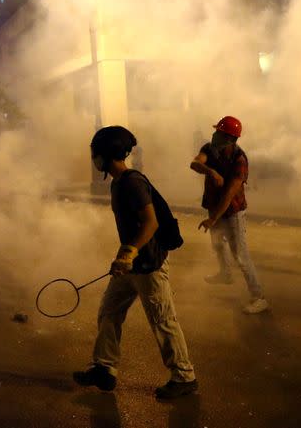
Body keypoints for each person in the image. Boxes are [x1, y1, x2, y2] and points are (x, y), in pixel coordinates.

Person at [73, 126, 197, 400]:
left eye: (96, 153)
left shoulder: (131, 182)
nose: (93, 158)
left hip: (148, 264)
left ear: (106, 155)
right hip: (130, 265)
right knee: (109, 312)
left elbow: (151, 222)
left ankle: (184, 376)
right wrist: (124, 257)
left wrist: (128, 253)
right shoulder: (118, 182)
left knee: (163, 322)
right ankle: (104, 368)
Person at [190, 116, 269, 314]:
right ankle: (225, 274)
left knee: (240, 256)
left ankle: (259, 297)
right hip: (213, 207)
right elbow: (195, 164)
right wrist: (211, 172)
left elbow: (229, 195)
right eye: (215, 131)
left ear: (229, 138)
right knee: (217, 244)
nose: (214, 134)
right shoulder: (209, 148)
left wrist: (212, 219)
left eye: (218, 132)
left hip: (232, 212)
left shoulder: (239, 160)